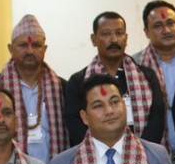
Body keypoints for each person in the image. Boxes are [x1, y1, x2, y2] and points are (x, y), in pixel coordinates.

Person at [64, 11, 167, 147]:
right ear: (94, 39)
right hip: (96, 155)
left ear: (126, 38)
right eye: (106, 34)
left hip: (143, 153)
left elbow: (157, 120)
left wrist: (139, 150)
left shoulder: (147, 76)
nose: (114, 40)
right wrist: (105, 151)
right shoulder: (78, 81)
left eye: (119, 33)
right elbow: (75, 125)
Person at [0, 14, 69, 161]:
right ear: (10, 49)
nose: (30, 51)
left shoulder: (62, 87)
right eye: (23, 45)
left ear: (45, 49)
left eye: (36, 45)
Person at [132, 0, 175, 164]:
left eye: (171, 23)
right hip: (150, 161)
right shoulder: (133, 68)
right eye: (158, 26)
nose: (167, 30)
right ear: (146, 32)